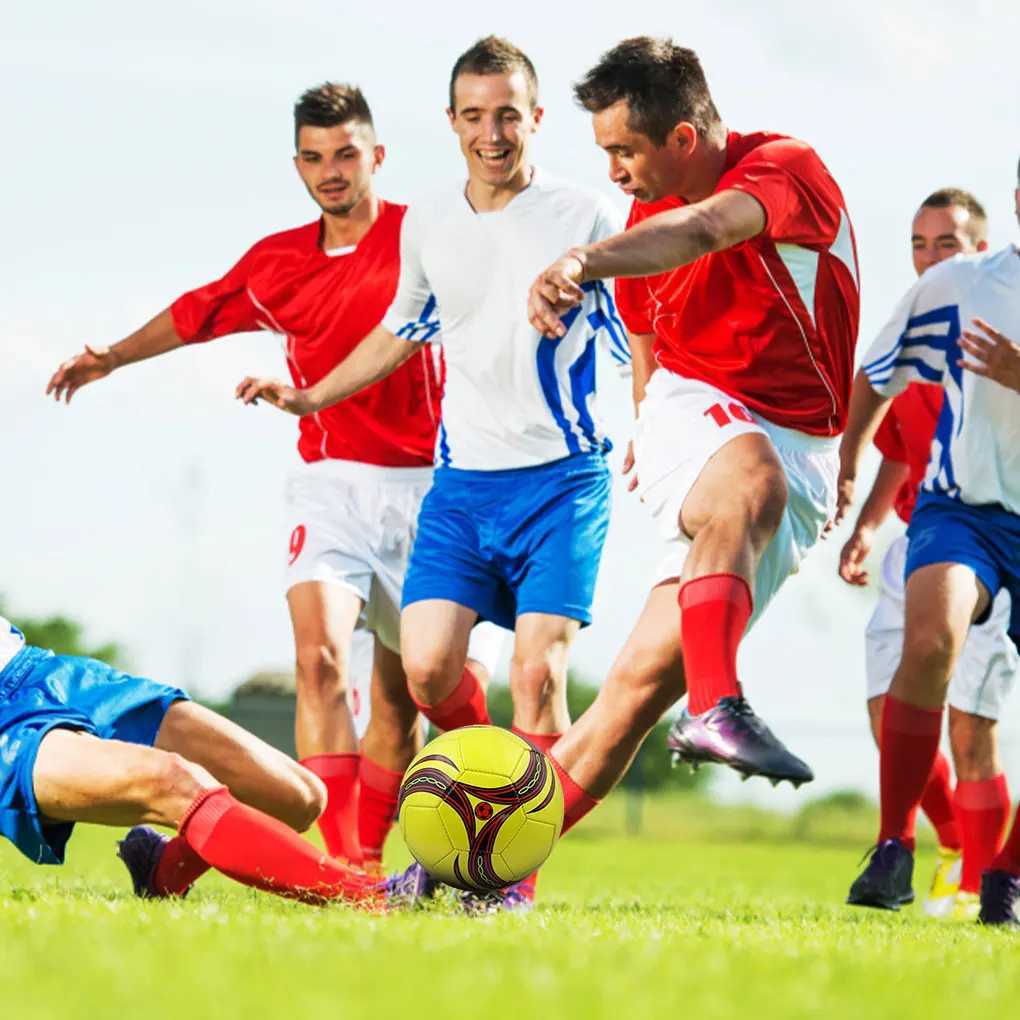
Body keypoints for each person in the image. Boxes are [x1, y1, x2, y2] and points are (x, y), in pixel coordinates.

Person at [44, 82, 503, 869]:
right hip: (329, 483)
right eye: (315, 157)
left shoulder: (423, 235)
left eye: (347, 154)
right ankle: (342, 869)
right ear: (298, 165)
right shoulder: (277, 263)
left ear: (377, 157)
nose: (331, 171)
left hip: (433, 487)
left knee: (402, 700)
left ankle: (373, 851)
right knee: (318, 658)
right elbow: (199, 311)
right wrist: (111, 356)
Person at [236, 37, 628, 908]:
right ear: (452, 122)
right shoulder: (429, 224)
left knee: (539, 674)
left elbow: (642, 332)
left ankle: (509, 882)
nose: (493, 133)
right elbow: (399, 331)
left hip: (564, 481)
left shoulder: (587, 214)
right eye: (475, 115)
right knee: (424, 672)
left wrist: (652, 432)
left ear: (535, 118)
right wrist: (310, 397)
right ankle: (497, 792)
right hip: (460, 486)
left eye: (509, 115)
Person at [522, 35, 858, 839]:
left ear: (682, 138)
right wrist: (659, 433)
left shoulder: (783, 169)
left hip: (802, 454)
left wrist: (579, 260)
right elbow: (647, 347)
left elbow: (708, 229)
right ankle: (718, 706)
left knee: (629, 699)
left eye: (624, 150)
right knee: (750, 481)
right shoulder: (641, 224)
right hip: (698, 415)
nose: (613, 172)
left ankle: (474, 865)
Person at [841, 161, 1020, 925]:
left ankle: (1005, 878)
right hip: (962, 512)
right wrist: (849, 459)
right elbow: (878, 372)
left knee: (979, 726)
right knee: (929, 643)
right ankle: (893, 850)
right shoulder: (961, 284)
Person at [0, 612, 415, 907]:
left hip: (36, 671)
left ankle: (161, 869)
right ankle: (375, 896)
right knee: (170, 781)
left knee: (297, 796)